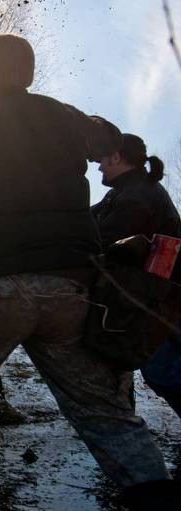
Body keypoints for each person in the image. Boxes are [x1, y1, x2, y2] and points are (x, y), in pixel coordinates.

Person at [0, 34, 174, 511]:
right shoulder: (63, 118)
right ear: (27, 76)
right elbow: (109, 139)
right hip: (67, 292)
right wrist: (82, 120)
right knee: (109, 418)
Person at [92, 134, 181, 417]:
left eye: (102, 161)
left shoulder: (135, 197)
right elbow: (87, 219)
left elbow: (100, 241)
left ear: (116, 157)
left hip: (160, 300)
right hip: (156, 297)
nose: (98, 168)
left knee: (164, 371)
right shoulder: (126, 191)